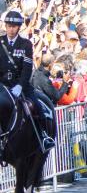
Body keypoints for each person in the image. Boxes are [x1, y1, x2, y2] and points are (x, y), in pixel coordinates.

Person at [0, 10, 56, 152]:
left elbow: (27, 68)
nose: (11, 29)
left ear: (19, 27)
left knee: (35, 105)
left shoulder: (25, 44)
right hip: (2, 85)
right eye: (8, 26)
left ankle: (43, 136)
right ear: (5, 26)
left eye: (14, 26)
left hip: (21, 84)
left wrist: (20, 85)